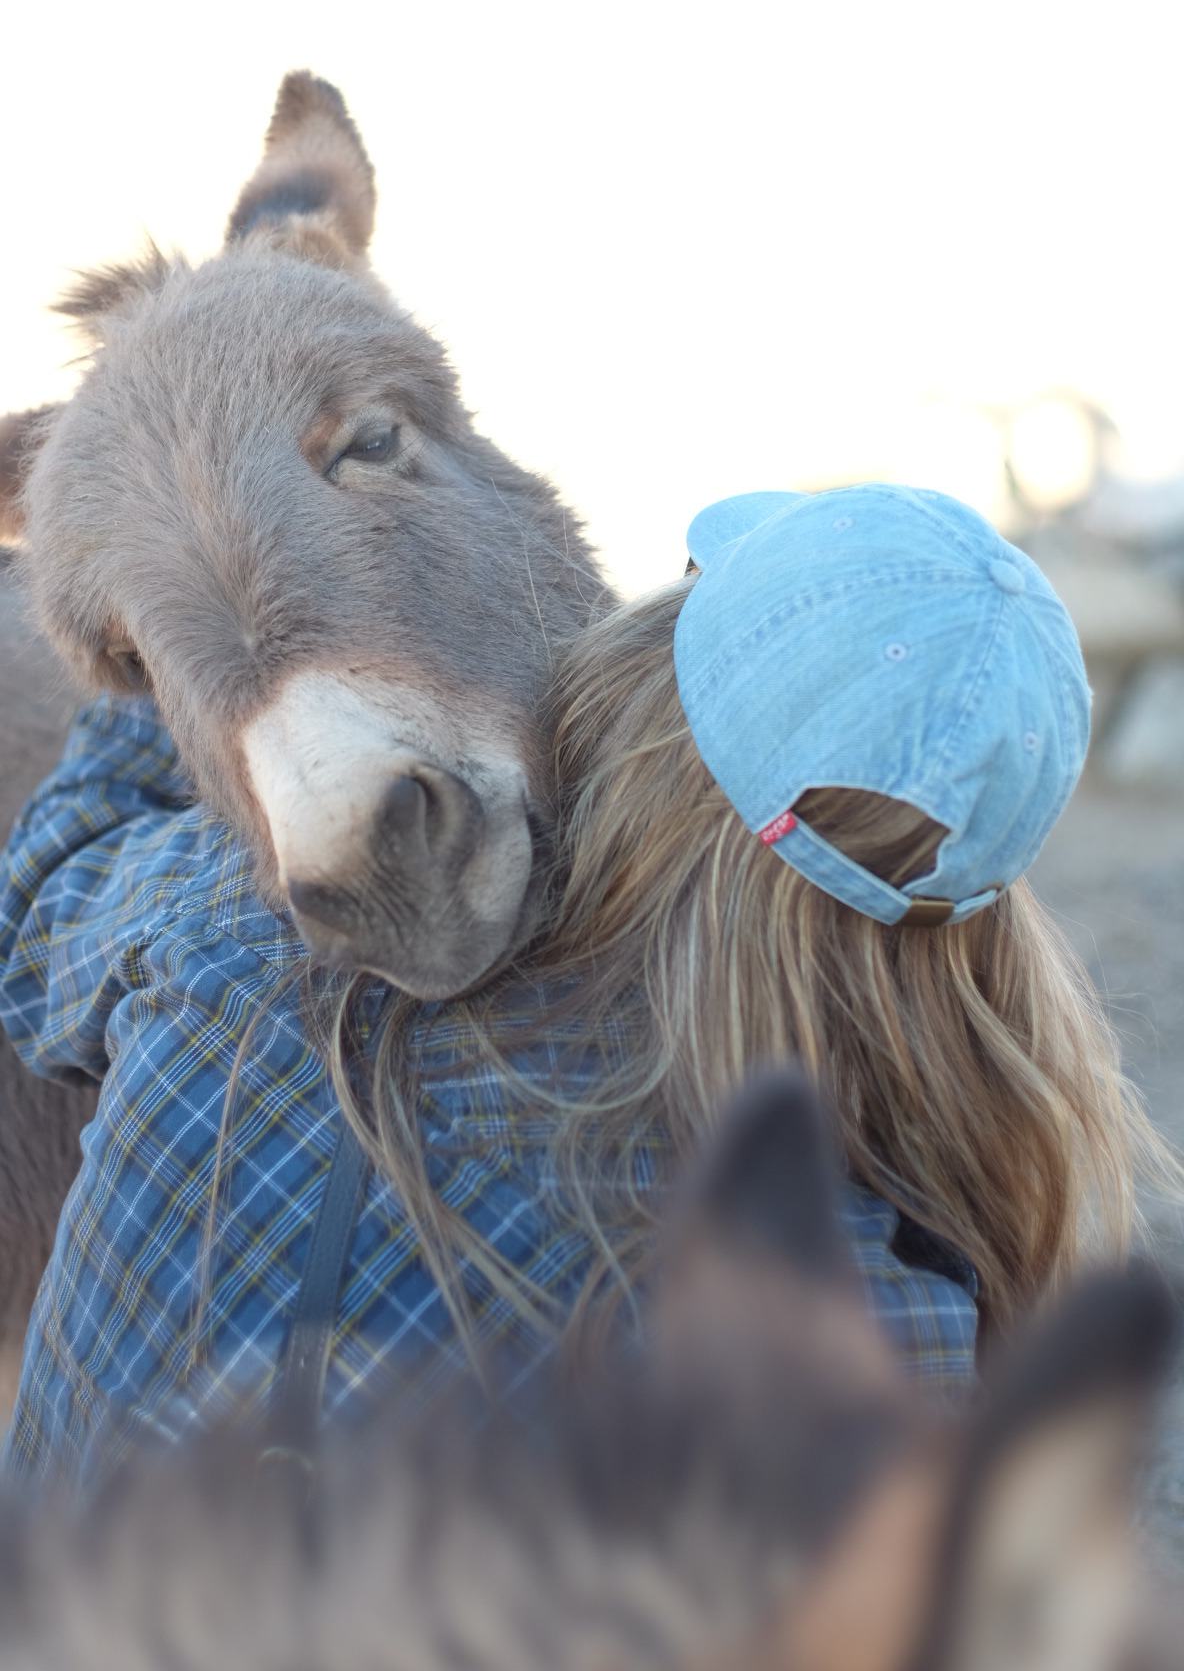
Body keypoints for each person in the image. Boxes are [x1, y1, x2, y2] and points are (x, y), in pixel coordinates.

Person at [0, 485, 1166, 1488]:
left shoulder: (248, 929)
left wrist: (209, 660)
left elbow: (46, 903)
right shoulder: (876, 1333)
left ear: (643, 680)